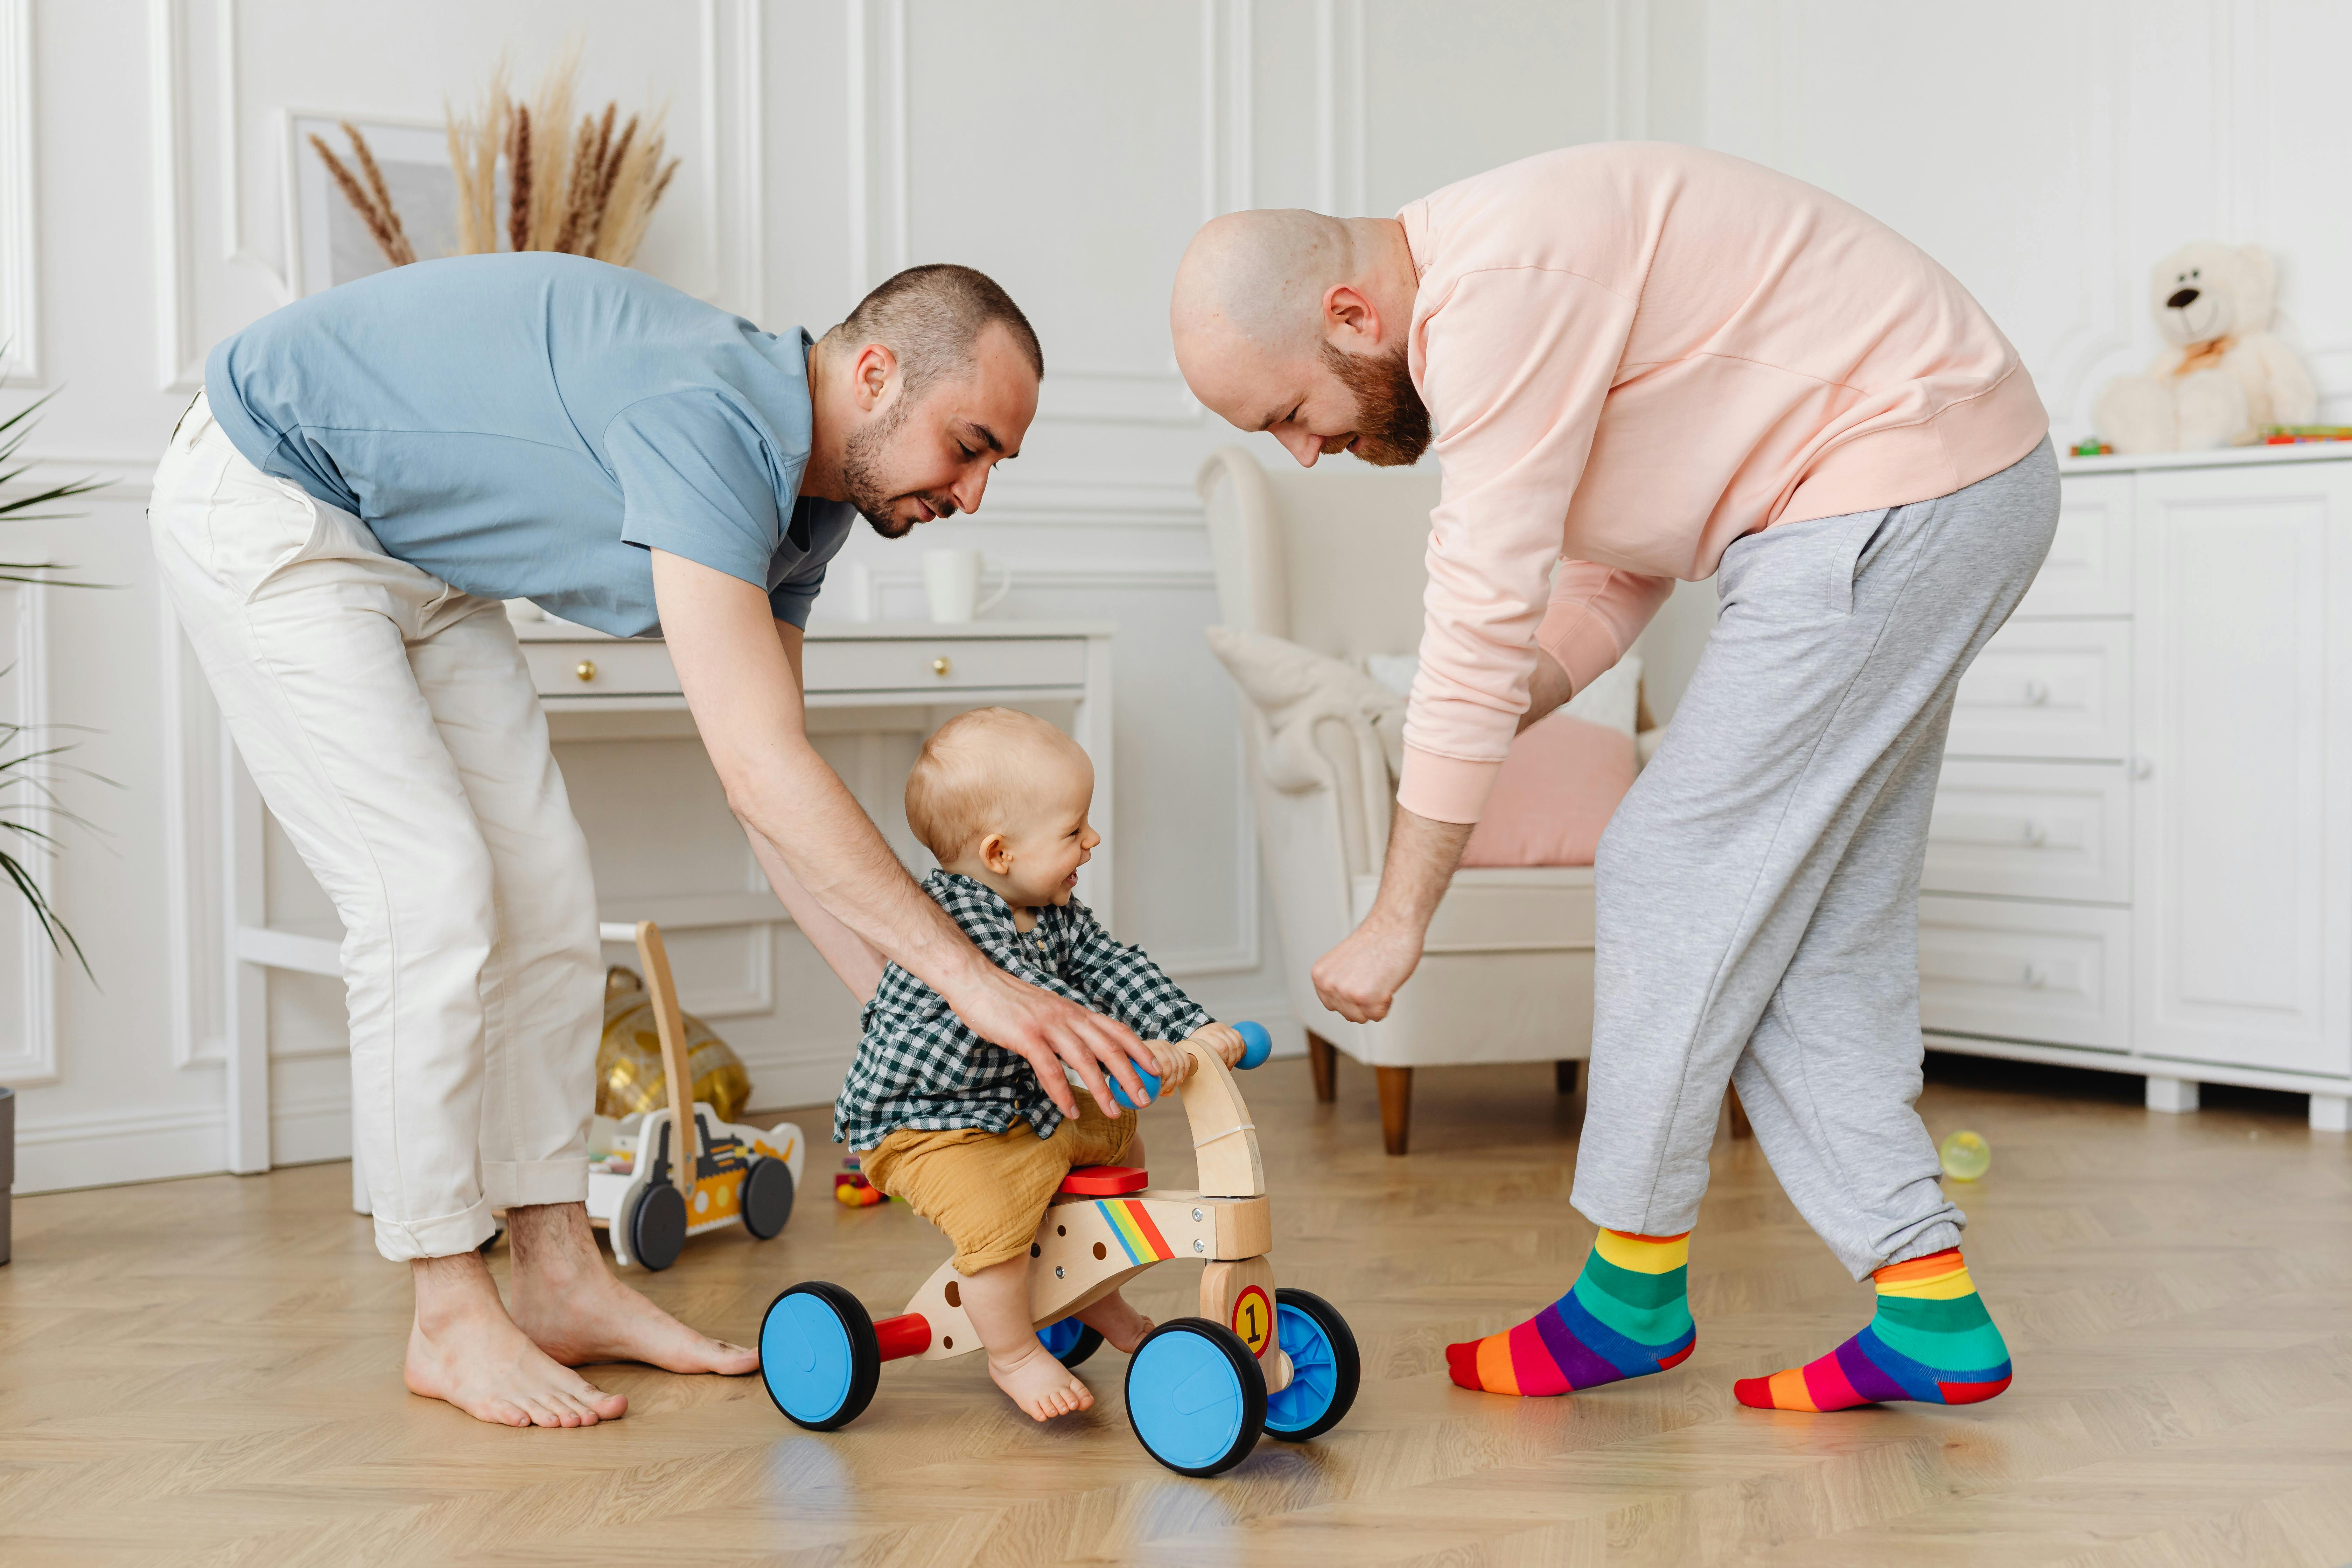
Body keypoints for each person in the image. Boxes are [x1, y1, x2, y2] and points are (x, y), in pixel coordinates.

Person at [150, 255, 1168, 1430]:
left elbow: (767, 791)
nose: (975, 493)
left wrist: (929, 1015)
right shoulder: (714, 419)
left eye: (997, 463)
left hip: (421, 562)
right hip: (272, 493)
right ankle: (447, 1312)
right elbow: (763, 767)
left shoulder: (812, 504)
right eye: (970, 443)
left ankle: (559, 1280)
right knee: (427, 900)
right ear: (877, 373)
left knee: (548, 909)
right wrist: (978, 985)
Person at [1168, 143, 2053, 1412]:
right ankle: (1927, 1303)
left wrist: (1398, 918)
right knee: (1815, 925)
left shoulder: (1494, 293)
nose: (1304, 453)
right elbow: (1608, 566)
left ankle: (1628, 1291)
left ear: (1351, 317)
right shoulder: (1508, 295)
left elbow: (1478, 610)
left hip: (1892, 484)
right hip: (1940, 485)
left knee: (1670, 864)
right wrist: (1502, 701)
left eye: (1288, 416)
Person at [833, 707, 1247, 1420]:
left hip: (1015, 1107)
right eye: (1072, 830)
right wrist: (1124, 1049)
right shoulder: (957, 915)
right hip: (929, 1125)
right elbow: (1041, 1002)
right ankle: (1015, 1352)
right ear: (999, 853)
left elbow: (1112, 967)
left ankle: (1093, 1290)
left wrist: (1190, 1027)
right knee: (997, 1220)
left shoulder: (1052, 908)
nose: (1092, 839)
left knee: (1114, 1136)